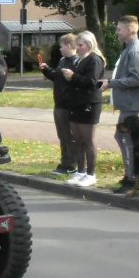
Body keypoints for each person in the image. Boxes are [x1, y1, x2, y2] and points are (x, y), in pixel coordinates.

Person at [98, 15, 139, 193]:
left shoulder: (135, 50)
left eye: (119, 29)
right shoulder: (130, 48)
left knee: (125, 138)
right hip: (130, 101)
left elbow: (136, 79)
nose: (116, 32)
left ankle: (132, 179)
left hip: (132, 101)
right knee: (123, 137)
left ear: (130, 30)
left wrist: (111, 83)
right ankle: (130, 176)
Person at [63, 31, 105, 187]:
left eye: (80, 45)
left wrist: (73, 76)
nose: (78, 48)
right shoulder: (81, 60)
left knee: (88, 140)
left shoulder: (94, 59)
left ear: (89, 44)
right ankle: (80, 171)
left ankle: (91, 173)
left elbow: (92, 82)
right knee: (78, 140)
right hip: (77, 103)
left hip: (89, 103)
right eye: (77, 45)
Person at [39, 33, 78, 176]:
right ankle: (65, 162)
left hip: (68, 105)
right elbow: (57, 77)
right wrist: (46, 70)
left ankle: (71, 163)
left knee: (69, 135)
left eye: (61, 46)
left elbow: (75, 82)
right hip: (59, 103)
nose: (60, 49)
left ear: (68, 45)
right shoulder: (63, 60)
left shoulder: (76, 62)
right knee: (62, 135)